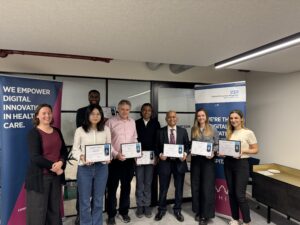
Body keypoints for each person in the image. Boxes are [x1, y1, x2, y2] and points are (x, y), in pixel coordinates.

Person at [25, 104, 68, 225]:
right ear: (37, 115)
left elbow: (64, 151)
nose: (47, 115)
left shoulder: (57, 131)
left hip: (56, 177)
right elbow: (35, 157)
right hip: (40, 178)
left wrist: (61, 162)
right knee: (37, 211)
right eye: (43, 113)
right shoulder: (33, 133)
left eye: (49, 112)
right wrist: (54, 167)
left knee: (54, 209)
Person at [72, 105, 111, 225]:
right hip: (84, 168)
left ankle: (97, 222)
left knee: (98, 199)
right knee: (84, 200)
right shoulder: (80, 130)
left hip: (102, 168)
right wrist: (82, 157)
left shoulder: (106, 129)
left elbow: (108, 147)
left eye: (98, 114)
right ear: (88, 115)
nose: (95, 116)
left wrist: (109, 156)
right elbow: (75, 150)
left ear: (101, 116)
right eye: (92, 114)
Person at [222, 110, 258, 225]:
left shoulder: (248, 132)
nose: (233, 120)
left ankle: (247, 221)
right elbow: (229, 149)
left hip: (241, 164)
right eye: (231, 118)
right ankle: (235, 218)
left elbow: (256, 149)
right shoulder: (229, 132)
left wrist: (243, 150)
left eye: (236, 118)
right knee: (231, 193)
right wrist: (223, 152)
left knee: (240, 194)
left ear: (241, 119)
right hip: (228, 163)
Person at [106, 100, 138, 225]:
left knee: (126, 186)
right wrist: (115, 154)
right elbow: (107, 142)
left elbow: (134, 138)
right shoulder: (110, 122)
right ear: (118, 109)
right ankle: (111, 214)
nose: (125, 111)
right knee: (112, 188)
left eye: (127, 109)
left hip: (129, 160)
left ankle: (124, 212)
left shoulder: (132, 122)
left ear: (129, 110)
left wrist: (136, 151)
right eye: (122, 109)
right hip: (115, 160)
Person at [154, 111, 189, 222]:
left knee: (179, 188)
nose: (171, 119)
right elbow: (156, 147)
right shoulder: (160, 131)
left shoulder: (183, 131)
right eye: (169, 117)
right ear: (166, 119)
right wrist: (159, 155)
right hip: (165, 164)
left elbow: (187, 146)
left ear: (177, 118)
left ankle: (177, 209)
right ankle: (161, 209)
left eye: (174, 117)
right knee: (163, 188)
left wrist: (185, 154)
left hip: (179, 163)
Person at [75, 89, 101, 225]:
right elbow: (77, 144)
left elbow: (106, 138)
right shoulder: (81, 112)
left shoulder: (104, 112)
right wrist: (83, 156)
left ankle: (96, 220)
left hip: (101, 164)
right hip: (86, 162)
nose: (94, 98)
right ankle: (81, 215)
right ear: (88, 97)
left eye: (96, 96)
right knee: (83, 195)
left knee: (98, 196)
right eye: (91, 96)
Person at [190, 108, 219, 225]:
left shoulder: (213, 129)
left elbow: (217, 144)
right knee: (196, 186)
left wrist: (213, 152)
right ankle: (198, 211)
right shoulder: (194, 129)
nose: (201, 118)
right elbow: (192, 144)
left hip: (208, 162)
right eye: (198, 116)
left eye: (202, 115)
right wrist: (191, 150)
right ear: (196, 117)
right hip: (196, 161)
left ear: (206, 117)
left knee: (207, 188)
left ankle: (205, 215)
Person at [135, 103, 160, 218]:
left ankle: (147, 206)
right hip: (139, 157)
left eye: (149, 110)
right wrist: (134, 154)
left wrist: (156, 156)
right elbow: (133, 140)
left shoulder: (156, 123)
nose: (146, 112)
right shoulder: (136, 123)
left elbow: (157, 141)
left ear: (151, 112)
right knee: (140, 183)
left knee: (148, 183)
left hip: (150, 157)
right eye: (144, 110)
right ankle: (139, 206)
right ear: (141, 111)